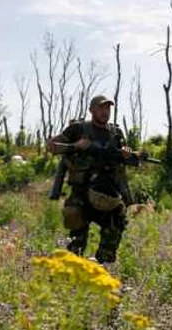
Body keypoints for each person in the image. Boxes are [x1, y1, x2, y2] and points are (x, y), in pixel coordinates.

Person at [47, 95, 132, 264]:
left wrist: (126, 154)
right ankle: (71, 275)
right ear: (92, 110)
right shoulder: (78, 129)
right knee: (76, 242)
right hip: (81, 193)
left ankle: (102, 270)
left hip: (107, 192)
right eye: (101, 108)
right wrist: (75, 146)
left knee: (115, 227)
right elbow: (51, 146)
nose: (105, 112)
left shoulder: (116, 133)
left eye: (108, 108)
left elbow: (123, 161)